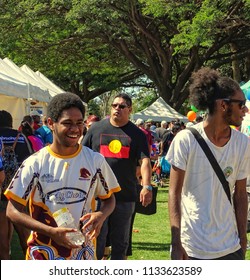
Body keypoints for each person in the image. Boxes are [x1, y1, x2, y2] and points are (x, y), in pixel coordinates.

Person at [5, 92, 120, 260]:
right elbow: (12, 211)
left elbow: (110, 199)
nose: (75, 129)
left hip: (82, 253)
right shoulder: (35, 163)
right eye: (67, 123)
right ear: (51, 123)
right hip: (44, 253)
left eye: (79, 123)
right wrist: (51, 232)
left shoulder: (95, 161)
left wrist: (101, 215)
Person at [166, 67, 250, 260]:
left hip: (229, 246)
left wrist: (243, 238)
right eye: (241, 104)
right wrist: (176, 242)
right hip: (192, 246)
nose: (245, 110)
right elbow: (174, 193)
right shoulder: (186, 140)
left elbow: (240, 194)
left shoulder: (242, 143)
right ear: (223, 105)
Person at [82, 93, 152, 260]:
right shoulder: (96, 129)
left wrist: (146, 186)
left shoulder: (137, 134)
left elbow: (145, 161)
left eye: (121, 106)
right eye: (114, 106)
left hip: (125, 195)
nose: (117, 109)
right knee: (95, 240)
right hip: (98, 196)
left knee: (120, 243)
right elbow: (81, 154)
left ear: (130, 109)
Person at [0, 110, 32, 259]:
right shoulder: (21, 137)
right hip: (19, 190)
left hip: (1, 191)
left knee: (3, 239)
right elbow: (31, 162)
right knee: (25, 234)